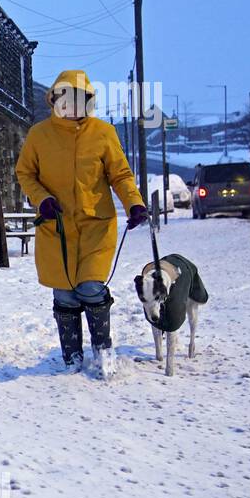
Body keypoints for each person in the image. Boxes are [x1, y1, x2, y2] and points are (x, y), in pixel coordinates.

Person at [16, 70, 148, 375]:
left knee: (90, 287)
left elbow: (121, 175)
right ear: (55, 99)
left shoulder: (104, 133)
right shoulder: (39, 135)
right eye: (66, 98)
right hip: (56, 227)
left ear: (89, 101)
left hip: (95, 225)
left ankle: (103, 351)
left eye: (81, 99)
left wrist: (135, 203)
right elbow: (25, 173)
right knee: (64, 292)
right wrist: (42, 199)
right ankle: (71, 357)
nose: (73, 105)